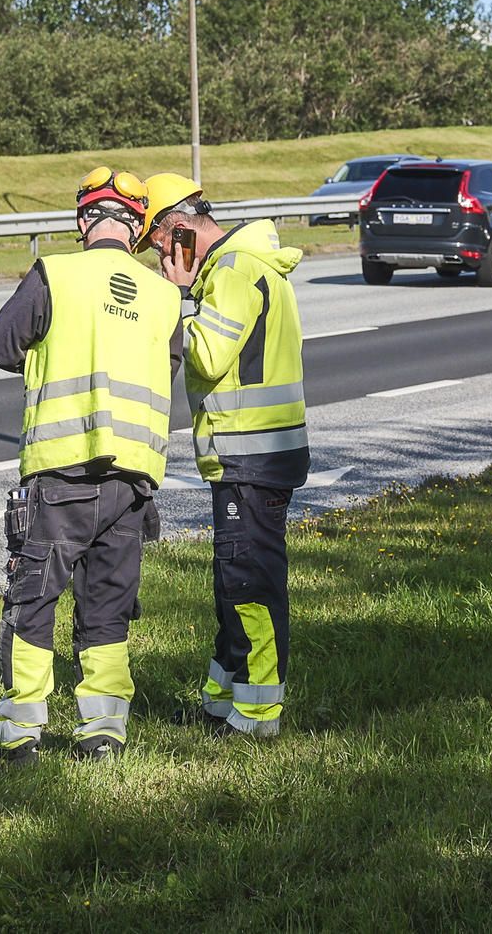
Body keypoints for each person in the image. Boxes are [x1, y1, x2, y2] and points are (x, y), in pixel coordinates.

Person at [0, 167, 183, 772]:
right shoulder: (164, 294)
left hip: (63, 474)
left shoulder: (54, 274)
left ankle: (19, 739)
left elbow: (1, 346)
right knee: (107, 608)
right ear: (137, 227)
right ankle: (103, 735)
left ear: (84, 220)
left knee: (33, 603)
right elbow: (170, 367)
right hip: (134, 481)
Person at [138, 173, 309, 738]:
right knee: (234, 580)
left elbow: (208, 356)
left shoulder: (233, 272)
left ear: (180, 229)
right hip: (252, 453)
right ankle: (220, 702)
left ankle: (257, 716)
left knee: (249, 585)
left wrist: (174, 297)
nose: (160, 258)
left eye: (160, 245)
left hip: (249, 456)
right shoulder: (239, 267)